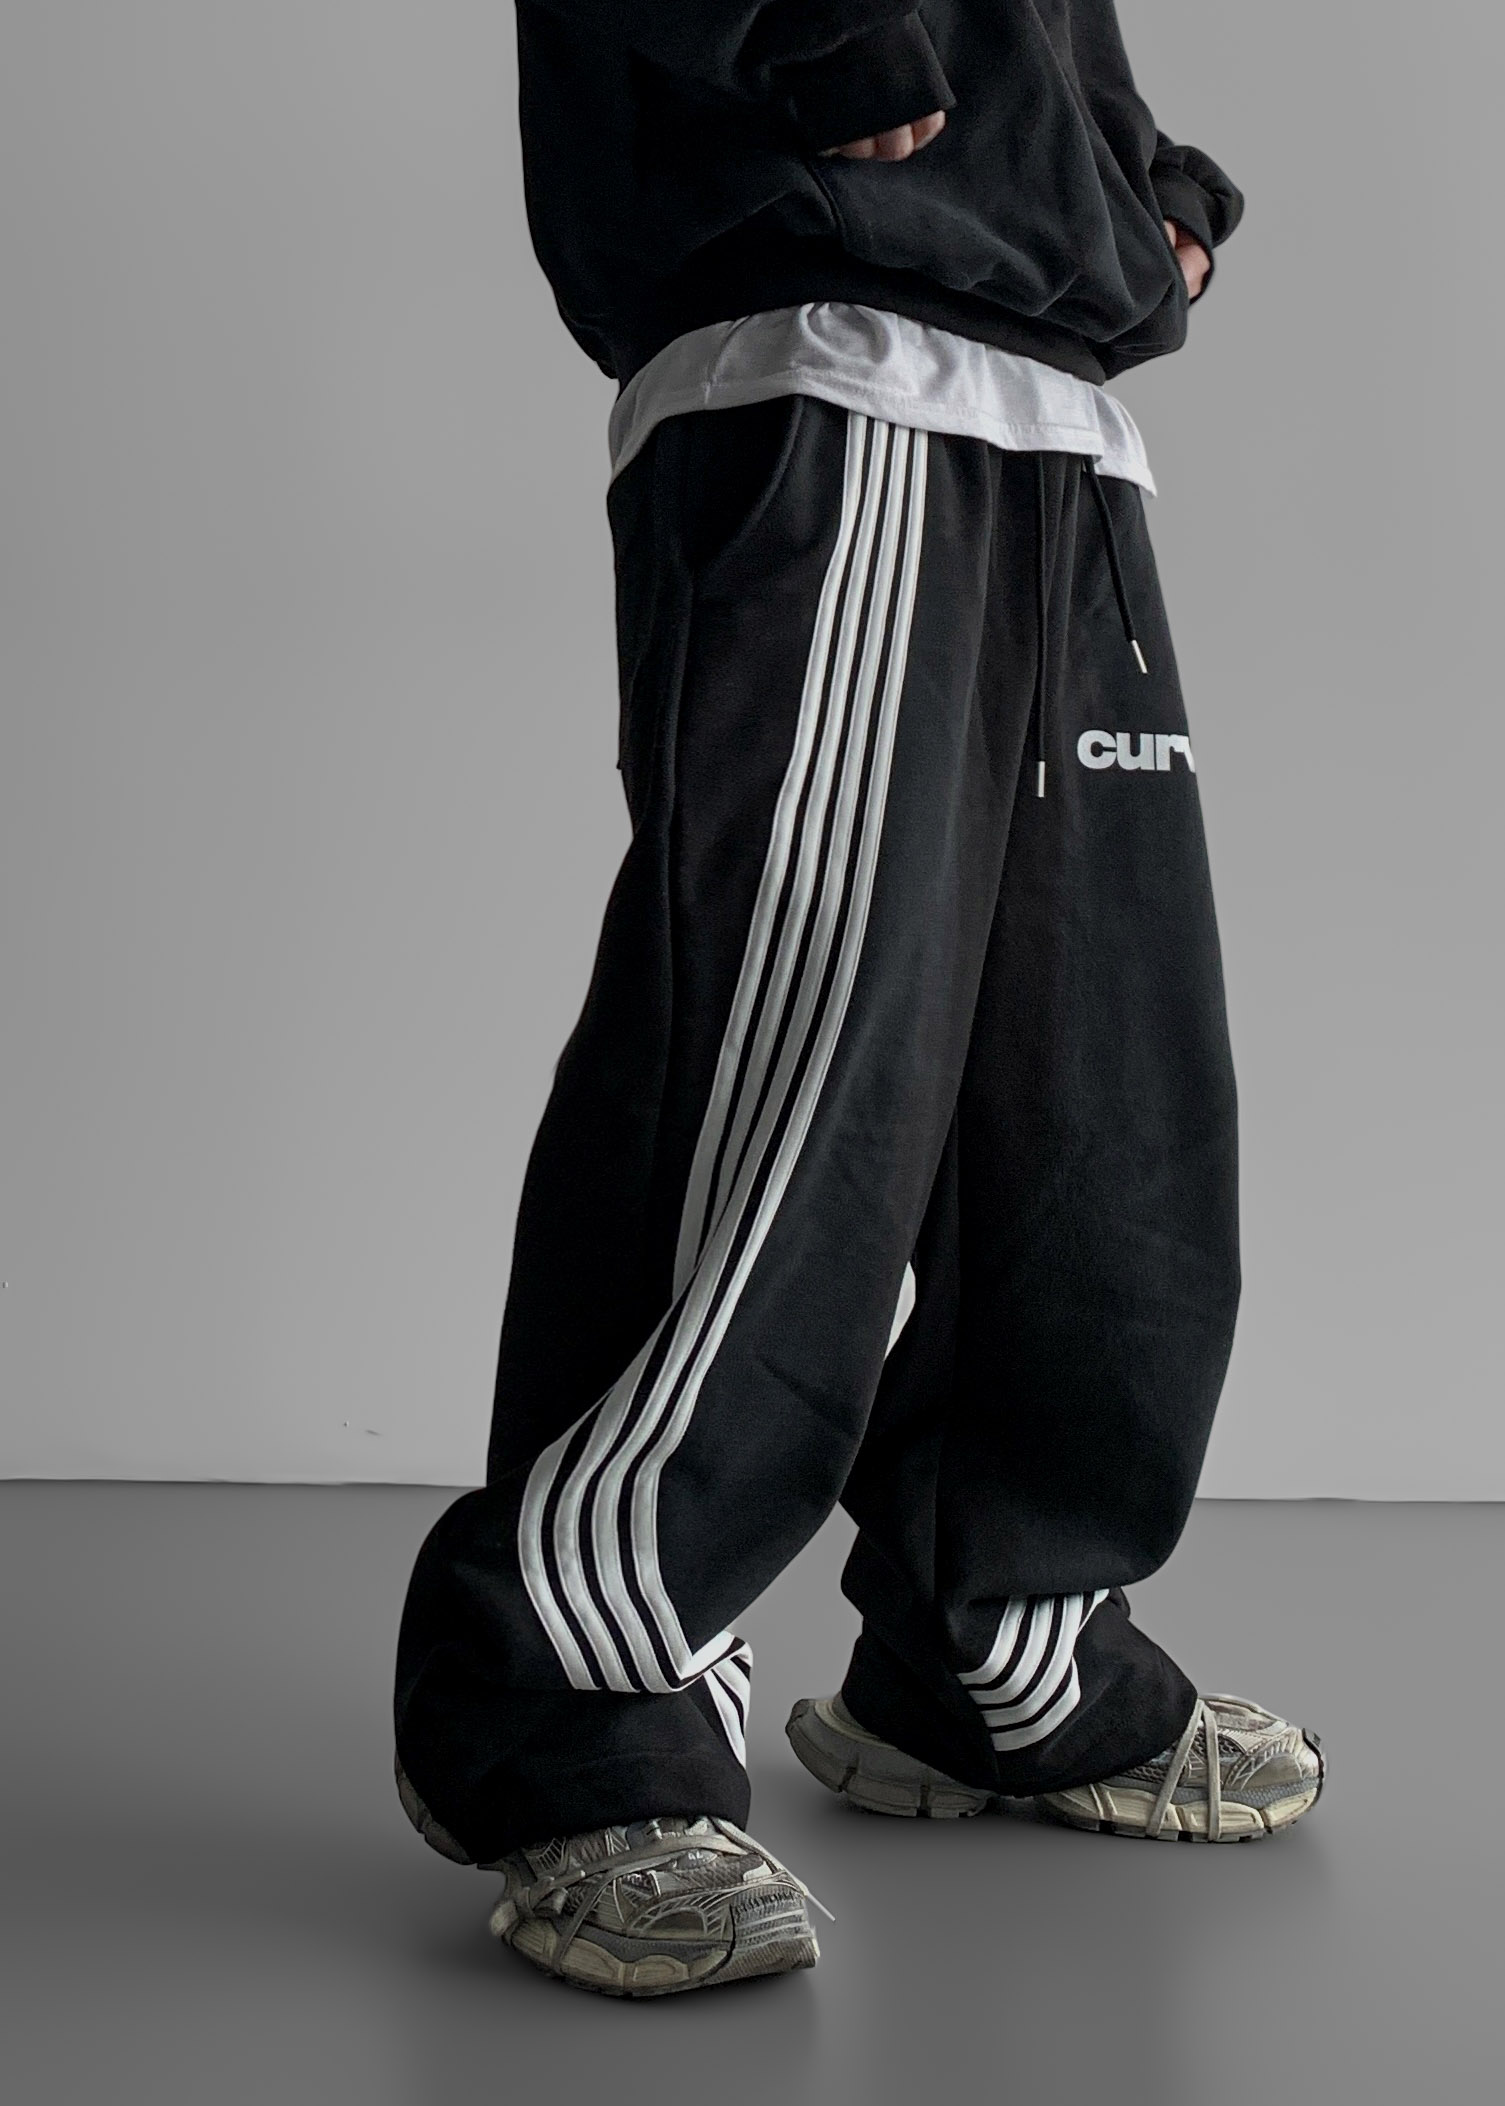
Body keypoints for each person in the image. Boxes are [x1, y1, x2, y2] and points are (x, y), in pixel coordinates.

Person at [392, 1, 1325, 1999]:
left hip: (1054, 407)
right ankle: (582, 1708)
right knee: (796, 1056)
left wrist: (1133, 182)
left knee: (1100, 1095)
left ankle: (996, 1648)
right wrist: (807, 33)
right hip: (839, 346)